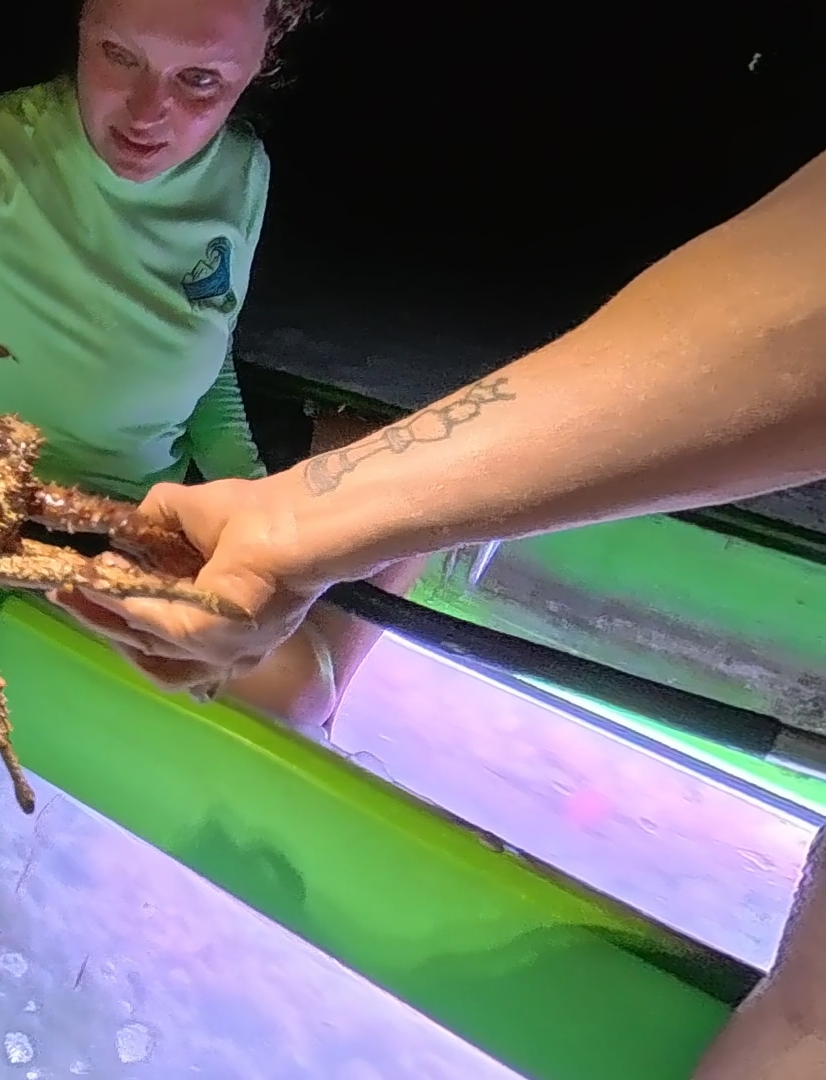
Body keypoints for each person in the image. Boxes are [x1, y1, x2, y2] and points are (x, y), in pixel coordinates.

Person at [51, 146, 826, 1076]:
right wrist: (294, 523)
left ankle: (357, 529)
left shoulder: (229, 185)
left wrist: (284, 510)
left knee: (291, 692)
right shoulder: (8, 169)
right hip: (223, 515)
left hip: (200, 498)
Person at [0, 0, 417, 732]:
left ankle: (317, 680)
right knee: (296, 690)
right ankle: (319, 714)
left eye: (200, 80)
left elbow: (203, 340)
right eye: (120, 55)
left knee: (414, 461)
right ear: (84, 21)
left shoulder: (242, 168)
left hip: (166, 491)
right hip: (19, 517)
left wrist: (247, 491)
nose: (147, 114)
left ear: (265, 56)